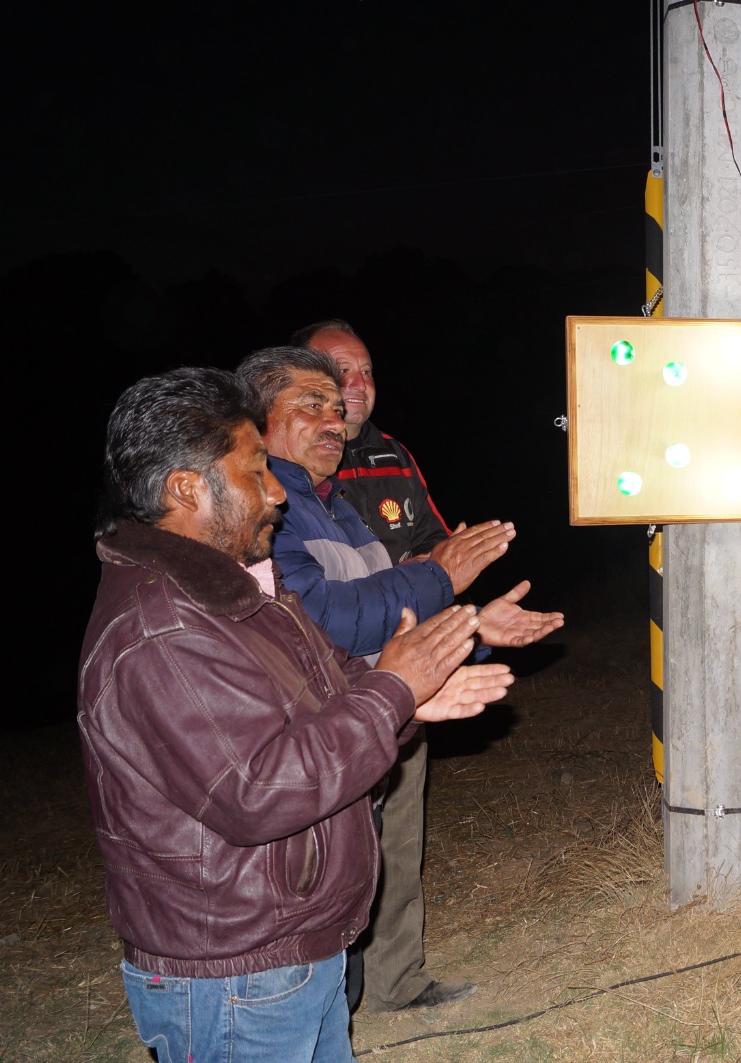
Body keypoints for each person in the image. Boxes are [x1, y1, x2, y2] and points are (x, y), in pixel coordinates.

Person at [78, 367, 512, 1061]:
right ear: (186, 489)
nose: (277, 490)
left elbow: (326, 691)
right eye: (256, 470)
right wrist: (391, 689)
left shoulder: (231, 591)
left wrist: (407, 699)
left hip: (283, 948)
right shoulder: (162, 626)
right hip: (232, 972)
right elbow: (258, 790)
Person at [236, 346, 563, 1012]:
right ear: (256, 419)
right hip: (312, 740)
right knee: (317, 905)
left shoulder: (338, 507)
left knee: (382, 861)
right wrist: (443, 576)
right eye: (313, 403)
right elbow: (323, 620)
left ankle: (388, 986)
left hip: (372, 715)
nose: (336, 416)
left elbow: (394, 619)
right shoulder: (263, 513)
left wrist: (470, 624)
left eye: (340, 404)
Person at [292, 320, 449, 564]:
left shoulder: (394, 454)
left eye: (366, 372)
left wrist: (453, 554)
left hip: (411, 599)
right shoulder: (286, 457)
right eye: (343, 371)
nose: (361, 384)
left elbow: (433, 540)